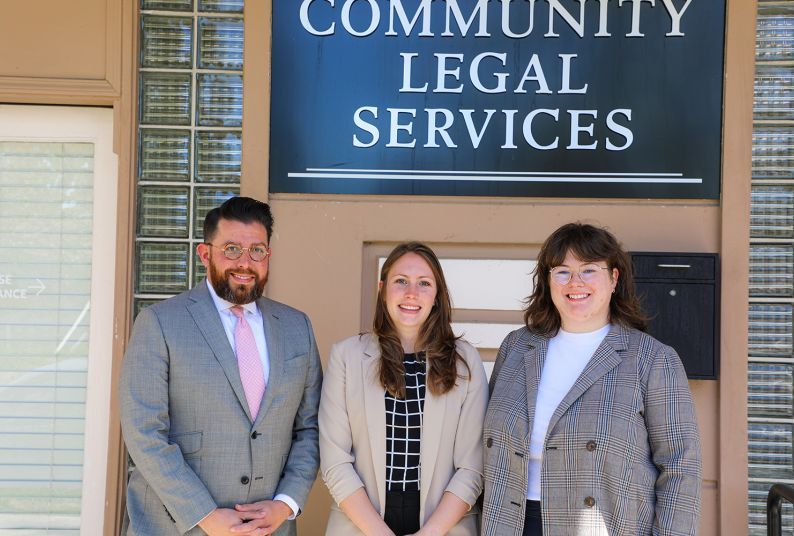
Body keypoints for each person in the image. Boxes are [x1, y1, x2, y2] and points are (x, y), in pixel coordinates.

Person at [482, 223, 702, 536]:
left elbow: (681, 468)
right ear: (548, 280)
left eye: (588, 270)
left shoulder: (652, 359)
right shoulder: (516, 347)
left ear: (614, 278)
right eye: (562, 271)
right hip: (509, 523)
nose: (575, 282)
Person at [119, 196, 322, 536]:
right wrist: (205, 514)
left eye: (257, 250)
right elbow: (144, 433)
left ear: (268, 256)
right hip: (177, 526)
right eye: (231, 249)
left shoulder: (297, 327)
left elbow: (310, 428)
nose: (245, 262)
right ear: (205, 253)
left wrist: (286, 503)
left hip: (269, 529)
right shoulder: (159, 323)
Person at [319, 242, 488, 536]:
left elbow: (472, 468)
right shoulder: (346, 356)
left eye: (424, 283)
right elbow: (335, 462)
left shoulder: (465, 361)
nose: (412, 293)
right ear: (382, 288)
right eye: (401, 281)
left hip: (443, 525)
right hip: (361, 523)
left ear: (437, 295)